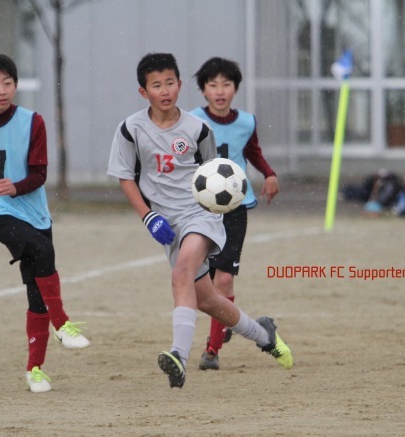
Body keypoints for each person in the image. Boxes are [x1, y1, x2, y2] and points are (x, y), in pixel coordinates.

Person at [107, 52, 293, 389]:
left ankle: (178, 355)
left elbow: (213, 174)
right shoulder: (130, 129)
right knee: (207, 300)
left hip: (201, 215)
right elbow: (125, 178)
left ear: (179, 85)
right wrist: (148, 216)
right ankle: (264, 334)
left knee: (182, 273)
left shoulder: (197, 129)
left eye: (169, 83)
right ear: (143, 91)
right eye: (155, 85)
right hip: (166, 224)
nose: (164, 91)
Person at [0, 54, 90, 394]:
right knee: (40, 249)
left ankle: (35, 370)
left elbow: (40, 174)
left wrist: (17, 186)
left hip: (33, 210)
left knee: (35, 290)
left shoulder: (33, 121)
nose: (2, 90)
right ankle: (62, 323)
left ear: (15, 84)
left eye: (8, 83)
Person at [189, 57, 279, 371]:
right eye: (212, 85)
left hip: (235, 209)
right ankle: (225, 321)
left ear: (235, 89)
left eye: (226, 84)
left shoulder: (246, 122)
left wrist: (268, 173)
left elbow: (252, 150)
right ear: (203, 91)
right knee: (203, 284)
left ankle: (212, 351)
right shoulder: (191, 122)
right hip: (199, 211)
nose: (219, 90)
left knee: (223, 279)